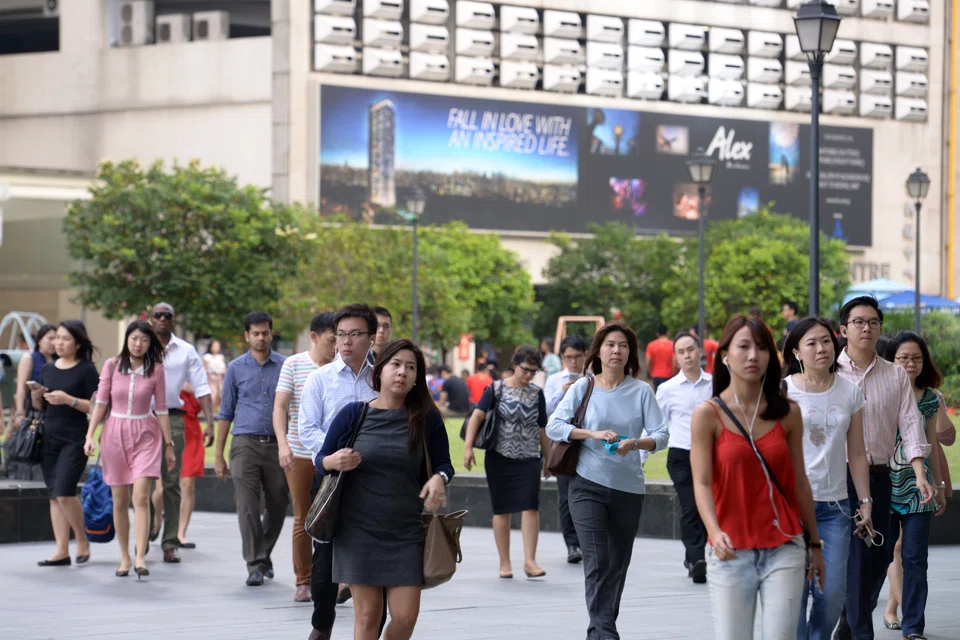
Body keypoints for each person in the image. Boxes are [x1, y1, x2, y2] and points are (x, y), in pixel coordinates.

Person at [689, 315, 824, 640]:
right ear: (725, 355)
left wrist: (815, 544)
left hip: (785, 547)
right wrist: (714, 531)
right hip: (730, 550)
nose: (753, 355)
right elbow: (702, 482)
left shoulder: (788, 413)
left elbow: (799, 481)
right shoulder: (708, 414)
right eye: (744, 347)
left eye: (762, 348)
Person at [318, 339, 453, 640]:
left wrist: (439, 478)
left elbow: (445, 464)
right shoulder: (354, 414)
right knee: (368, 616)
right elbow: (321, 460)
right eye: (396, 364)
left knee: (405, 618)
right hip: (357, 531)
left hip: (406, 531)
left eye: (410, 367)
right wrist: (333, 460)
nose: (402, 372)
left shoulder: (426, 419)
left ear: (417, 377)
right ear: (379, 371)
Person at [546, 322, 669, 640]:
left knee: (616, 566)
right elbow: (554, 426)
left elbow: (661, 435)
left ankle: (599, 631)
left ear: (630, 353)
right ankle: (606, 633)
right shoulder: (582, 387)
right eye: (610, 345)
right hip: (586, 484)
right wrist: (592, 433)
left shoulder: (641, 391)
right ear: (598, 351)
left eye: (623, 345)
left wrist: (636, 443)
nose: (617, 351)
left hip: (628, 489)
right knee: (598, 561)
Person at [833, 297, 933, 640]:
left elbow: (911, 425)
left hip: (880, 477)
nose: (867, 328)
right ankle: (861, 632)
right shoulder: (830, 372)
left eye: (873, 322)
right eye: (859, 322)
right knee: (857, 560)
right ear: (844, 329)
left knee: (880, 557)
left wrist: (920, 474)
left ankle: (849, 619)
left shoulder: (895, 375)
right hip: (839, 479)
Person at [781, 317, 873, 640]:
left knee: (831, 592)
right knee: (793, 593)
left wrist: (865, 501)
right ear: (796, 352)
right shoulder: (783, 392)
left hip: (835, 508)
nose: (821, 348)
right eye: (811, 343)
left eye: (826, 341)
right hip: (791, 506)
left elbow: (857, 453)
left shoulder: (850, 392)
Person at [298, 303, 380, 640]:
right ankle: (322, 624)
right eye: (341, 335)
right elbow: (306, 429)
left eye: (354, 334)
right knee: (325, 556)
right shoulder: (320, 379)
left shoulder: (382, 378)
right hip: (330, 478)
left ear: (371, 338)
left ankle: (372, 626)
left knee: (374, 556)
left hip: (375, 481)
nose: (346, 342)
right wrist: (334, 454)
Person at [84, 320, 176, 578]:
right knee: (120, 500)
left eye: (145, 340)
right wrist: (90, 435)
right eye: (134, 338)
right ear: (127, 339)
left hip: (146, 435)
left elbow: (162, 409)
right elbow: (101, 403)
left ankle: (140, 557)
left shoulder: (156, 369)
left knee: (141, 496)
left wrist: (169, 445)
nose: (139, 344)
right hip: (115, 434)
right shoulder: (112, 365)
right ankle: (124, 557)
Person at [880, 332, 949, 638]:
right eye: (904, 358)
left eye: (917, 358)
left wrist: (939, 485)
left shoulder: (930, 398)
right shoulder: (880, 393)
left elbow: (932, 443)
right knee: (883, 554)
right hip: (883, 484)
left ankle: (913, 626)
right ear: (890, 360)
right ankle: (865, 615)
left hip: (919, 489)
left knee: (916, 558)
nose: (911, 363)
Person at [214, 311, 288, 587]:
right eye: (255, 333)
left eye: (265, 333)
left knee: (279, 502)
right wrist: (219, 455)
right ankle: (255, 563)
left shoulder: (285, 366)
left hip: (278, 444)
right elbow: (225, 413)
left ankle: (263, 552)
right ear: (247, 336)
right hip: (244, 443)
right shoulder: (235, 368)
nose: (261, 338)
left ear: (271, 333)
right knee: (247, 505)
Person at [464, 346, 549, 580]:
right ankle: (505, 562)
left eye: (534, 371)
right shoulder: (496, 389)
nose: (529, 375)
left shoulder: (537, 393)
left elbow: (542, 428)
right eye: (525, 369)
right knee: (502, 509)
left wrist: (548, 457)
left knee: (531, 506)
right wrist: (468, 447)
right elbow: (477, 416)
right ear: (514, 365)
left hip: (529, 457)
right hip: (499, 456)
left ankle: (530, 561)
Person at [272, 312, 337, 602]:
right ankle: (304, 580)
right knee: (303, 515)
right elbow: (280, 407)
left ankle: (338, 578)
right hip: (299, 453)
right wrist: (282, 444)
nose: (336, 346)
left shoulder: (341, 368)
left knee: (336, 515)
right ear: (314, 337)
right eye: (332, 340)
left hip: (334, 454)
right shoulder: (294, 365)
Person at [29, 321, 100, 567]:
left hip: (75, 437)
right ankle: (61, 550)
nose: (58, 343)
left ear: (78, 343)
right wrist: (35, 397)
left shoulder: (87, 370)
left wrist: (69, 400)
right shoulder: (48, 369)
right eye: (56, 338)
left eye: (65, 338)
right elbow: (40, 407)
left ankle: (82, 540)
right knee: (54, 495)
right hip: (49, 437)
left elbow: (98, 406)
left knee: (64, 492)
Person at [149, 303, 214, 564]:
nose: (163, 319)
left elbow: (202, 387)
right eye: (158, 315)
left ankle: (170, 542)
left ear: (173, 320)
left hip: (173, 418)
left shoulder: (185, 350)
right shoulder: (140, 345)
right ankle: (146, 529)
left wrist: (210, 422)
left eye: (168, 315)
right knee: (140, 480)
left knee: (171, 481)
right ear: (151, 318)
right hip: (141, 417)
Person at [656, 331, 713, 585]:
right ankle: (696, 558)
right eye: (681, 352)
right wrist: (641, 458)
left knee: (708, 506)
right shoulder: (667, 389)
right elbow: (655, 425)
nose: (687, 355)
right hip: (681, 455)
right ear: (676, 358)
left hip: (711, 455)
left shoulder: (715, 385)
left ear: (700, 351)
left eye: (691, 349)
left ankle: (698, 556)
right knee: (690, 507)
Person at [543, 334, 589, 564]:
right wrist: (562, 391)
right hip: (563, 442)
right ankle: (572, 544)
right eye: (568, 357)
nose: (572, 362)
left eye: (577, 357)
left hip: (589, 440)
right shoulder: (554, 380)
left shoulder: (593, 379)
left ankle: (588, 541)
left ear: (585, 356)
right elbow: (545, 410)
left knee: (590, 491)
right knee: (565, 494)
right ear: (562, 357)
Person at [8, 323, 56, 480]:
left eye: (56, 339)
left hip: (54, 414)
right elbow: (21, 389)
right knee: (29, 447)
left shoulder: (59, 360)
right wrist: (20, 413)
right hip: (33, 413)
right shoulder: (30, 358)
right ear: (40, 340)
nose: (54, 342)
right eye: (50, 338)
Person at [176, 382, 203, 548]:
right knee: (161, 488)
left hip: (191, 434)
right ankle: (156, 522)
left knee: (187, 484)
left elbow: (206, 403)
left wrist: (195, 390)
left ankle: (181, 533)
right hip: (167, 428)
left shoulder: (195, 375)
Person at [645, 324, 675, 391]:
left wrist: (651, 373)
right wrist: (674, 374)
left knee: (658, 394)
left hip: (656, 376)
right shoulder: (672, 345)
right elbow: (675, 362)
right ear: (667, 332)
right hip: (669, 375)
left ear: (657, 334)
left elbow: (647, 362)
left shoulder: (651, 345)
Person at [203, 340, 226, 407]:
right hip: (211, 378)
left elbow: (223, 367)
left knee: (221, 393)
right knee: (212, 394)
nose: (217, 347)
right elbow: (204, 369)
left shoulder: (221, 356)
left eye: (218, 346)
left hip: (220, 378)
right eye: (215, 346)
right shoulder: (207, 357)